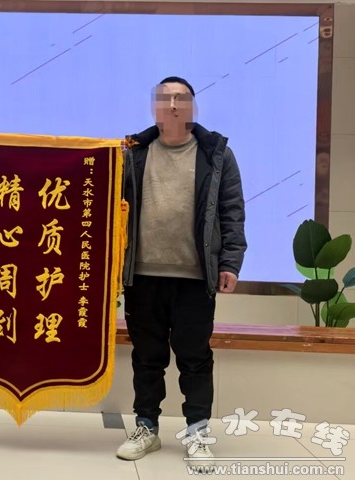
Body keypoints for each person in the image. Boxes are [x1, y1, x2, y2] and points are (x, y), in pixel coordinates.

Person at [116, 77, 246, 469]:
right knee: (147, 357)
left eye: (181, 98)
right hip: (143, 275)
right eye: (165, 98)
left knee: (194, 358)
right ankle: (146, 427)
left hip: (194, 277)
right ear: (153, 107)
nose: (173, 104)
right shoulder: (132, 153)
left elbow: (232, 211)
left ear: (193, 106)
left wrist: (230, 262)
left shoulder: (216, 153)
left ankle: (198, 432)